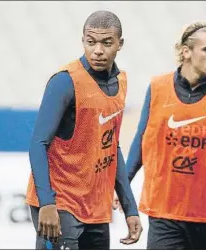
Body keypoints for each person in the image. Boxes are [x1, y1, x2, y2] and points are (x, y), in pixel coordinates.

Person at [113, 21, 206, 249]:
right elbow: (142, 139)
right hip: (166, 213)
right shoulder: (158, 88)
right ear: (186, 52)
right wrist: (124, 184)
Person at [26, 10, 142, 250]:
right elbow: (38, 143)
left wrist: (130, 207)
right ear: (83, 41)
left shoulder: (121, 82)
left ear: (120, 44)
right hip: (60, 203)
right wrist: (47, 203)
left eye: (106, 43)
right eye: (91, 42)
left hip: (95, 207)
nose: (97, 50)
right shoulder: (65, 82)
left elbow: (111, 147)